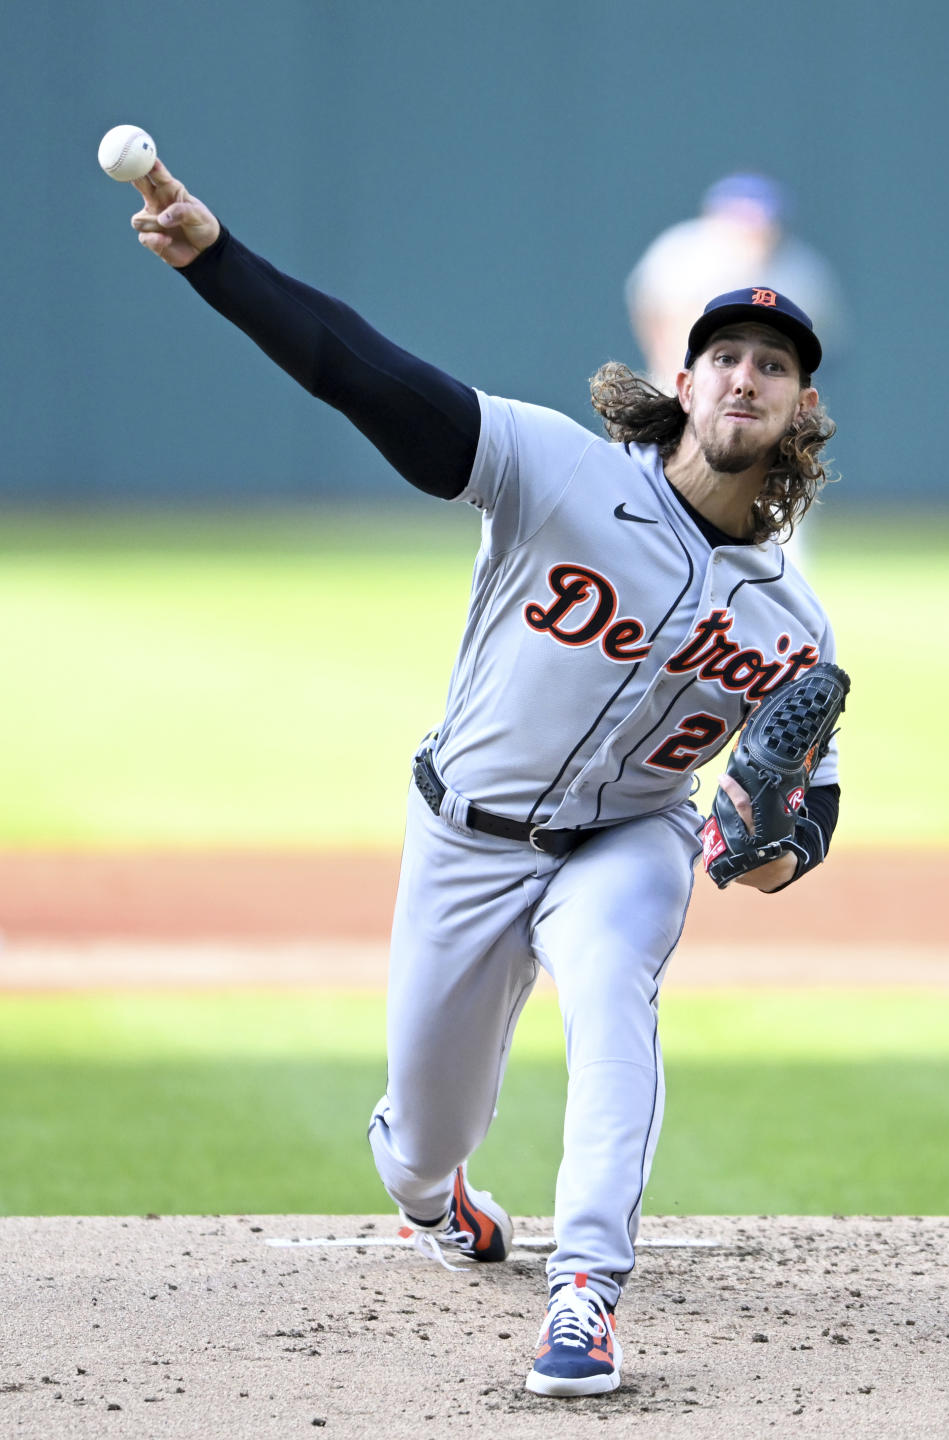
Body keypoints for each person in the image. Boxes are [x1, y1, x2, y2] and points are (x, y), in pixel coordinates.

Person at [126, 159, 843, 1398]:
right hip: (464, 837)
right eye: (725, 354)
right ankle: (434, 1188)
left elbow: (797, 830)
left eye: (772, 365)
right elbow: (360, 367)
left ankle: (587, 1296)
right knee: (421, 1143)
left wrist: (763, 841)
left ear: (798, 410)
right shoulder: (554, 469)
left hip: (628, 841)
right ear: (683, 380)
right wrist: (215, 258)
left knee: (616, 983)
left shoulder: (796, 630)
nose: (745, 374)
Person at [625, 172, 847, 393]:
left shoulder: (801, 275)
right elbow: (648, 311)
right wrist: (663, 359)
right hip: (677, 382)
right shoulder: (678, 254)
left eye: (758, 222)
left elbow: (823, 340)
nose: (750, 232)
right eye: (741, 218)